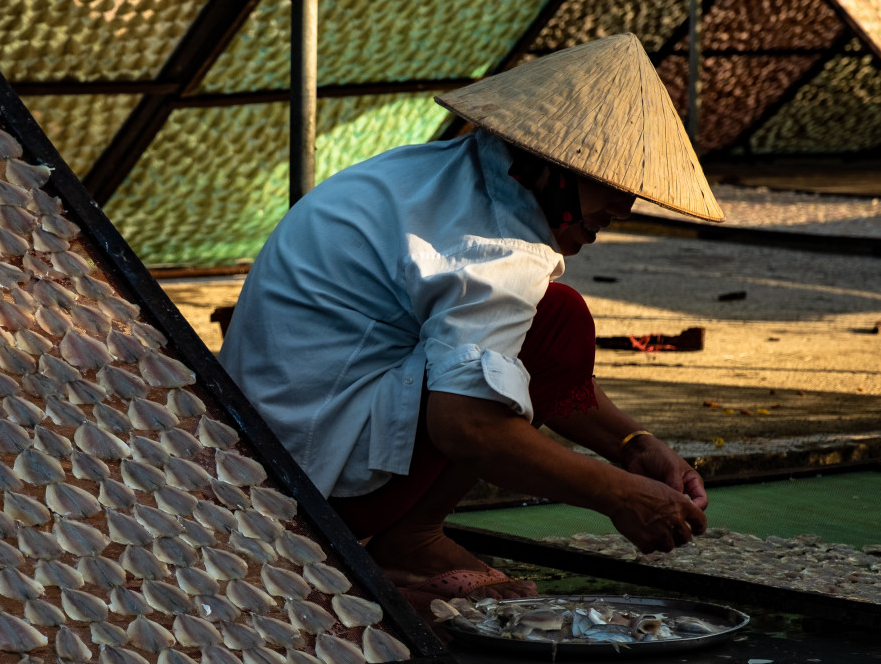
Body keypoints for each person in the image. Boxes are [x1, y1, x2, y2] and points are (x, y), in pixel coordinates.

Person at [219, 33, 724, 609]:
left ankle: (410, 536)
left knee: (554, 317)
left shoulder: (437, 175)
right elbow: (468, 429)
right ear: (552, 166)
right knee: (500, 370)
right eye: (609, 187)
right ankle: (403, 538)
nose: (621, 209)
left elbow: (526, 369)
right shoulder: (497, 251)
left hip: (267, 440)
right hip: (300, 486)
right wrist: (619, 495)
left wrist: (635, 448)